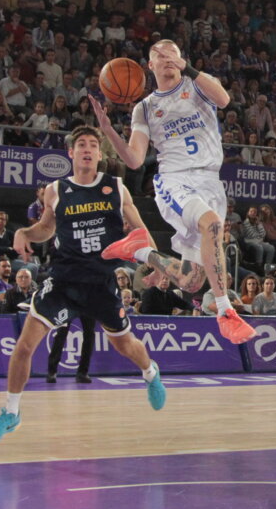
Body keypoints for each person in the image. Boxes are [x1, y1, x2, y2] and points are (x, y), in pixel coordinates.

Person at [0, 126, 166, 443]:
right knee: (24, 345)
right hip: (63, 281)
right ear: (71, 153)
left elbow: (142, 232)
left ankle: (151, 373)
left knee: (124, 344)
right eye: (81, 144)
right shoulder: (56, 189)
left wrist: (157, 264)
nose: (88, 149)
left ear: (100, 154)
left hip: (101, 282)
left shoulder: (116, 188)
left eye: (93, 144)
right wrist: (25, 233)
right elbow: (45, 229)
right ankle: (11, 412)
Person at [94, 40, 255, 345]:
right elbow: (134, 160)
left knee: (191, 281)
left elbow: (224, 100)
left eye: (172, 54)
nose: (166, 58)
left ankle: (141, 249)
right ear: (150, 65)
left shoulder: (199, 84)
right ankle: (225, 312)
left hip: (211, 182)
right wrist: (108, 130)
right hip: (174, 180)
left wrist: (189, 70)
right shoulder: (144, 108)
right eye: (159, 54)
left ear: (181, 60)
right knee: (212, 225)